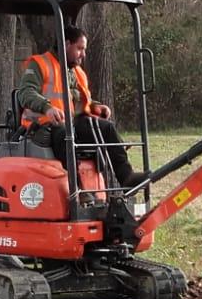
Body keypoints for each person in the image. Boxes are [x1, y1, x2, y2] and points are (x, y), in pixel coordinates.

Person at [17, 25, 145, 188]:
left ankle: (126, 177)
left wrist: (96, 107)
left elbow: (79, 99)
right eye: (80, 49)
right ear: (67, 44)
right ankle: (77, 189)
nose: (83, 54)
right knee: (66, 134)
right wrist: (47, 108)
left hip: (69, 122)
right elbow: (25, 92)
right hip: (42, 126)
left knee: (106, 128)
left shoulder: (73, 72)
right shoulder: (40, 64)